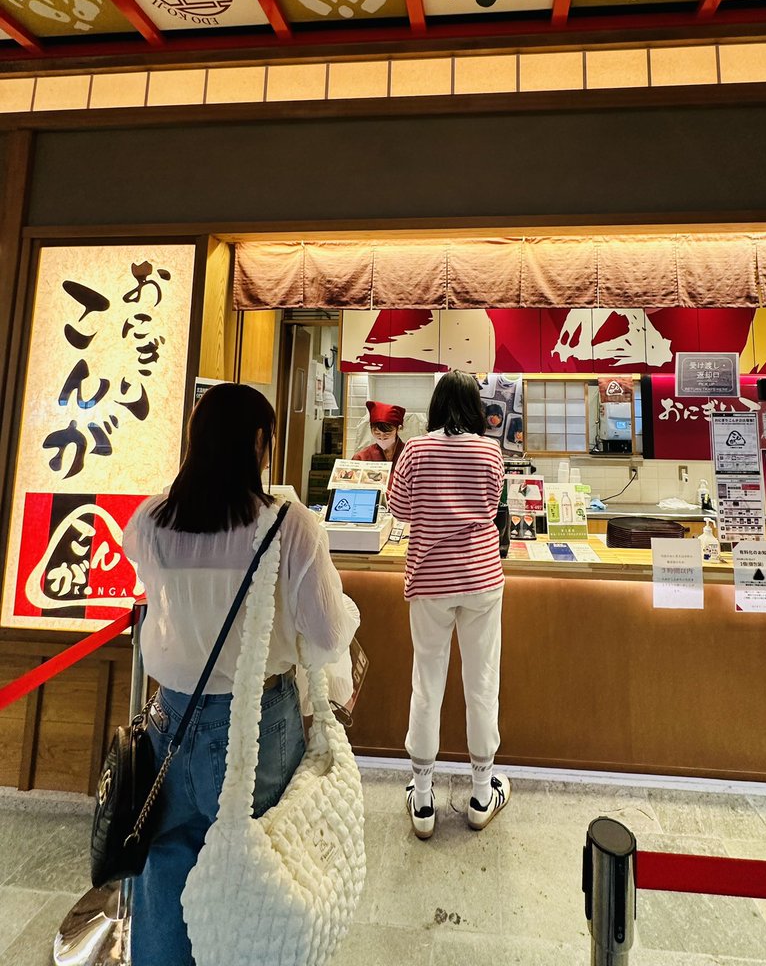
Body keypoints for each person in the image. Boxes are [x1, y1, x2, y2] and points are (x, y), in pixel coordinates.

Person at [123, 383, 359, 966]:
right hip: (261, 721)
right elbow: (329, 634)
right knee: (258, 871)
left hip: (169, 718)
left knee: (164, 866)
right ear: (259, 444)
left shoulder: (152, 521)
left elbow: (159, 601)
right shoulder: (289, 526)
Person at [387, 369, 509, 840]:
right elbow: (493, 506)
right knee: (481, 682)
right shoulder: (491, 450)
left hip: (430, 581)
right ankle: (481, 793)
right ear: (476, 407)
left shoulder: (416, 449)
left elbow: (397, 508)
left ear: (437, 405)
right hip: (481, 579)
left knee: (427, 681)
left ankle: (421, 799)